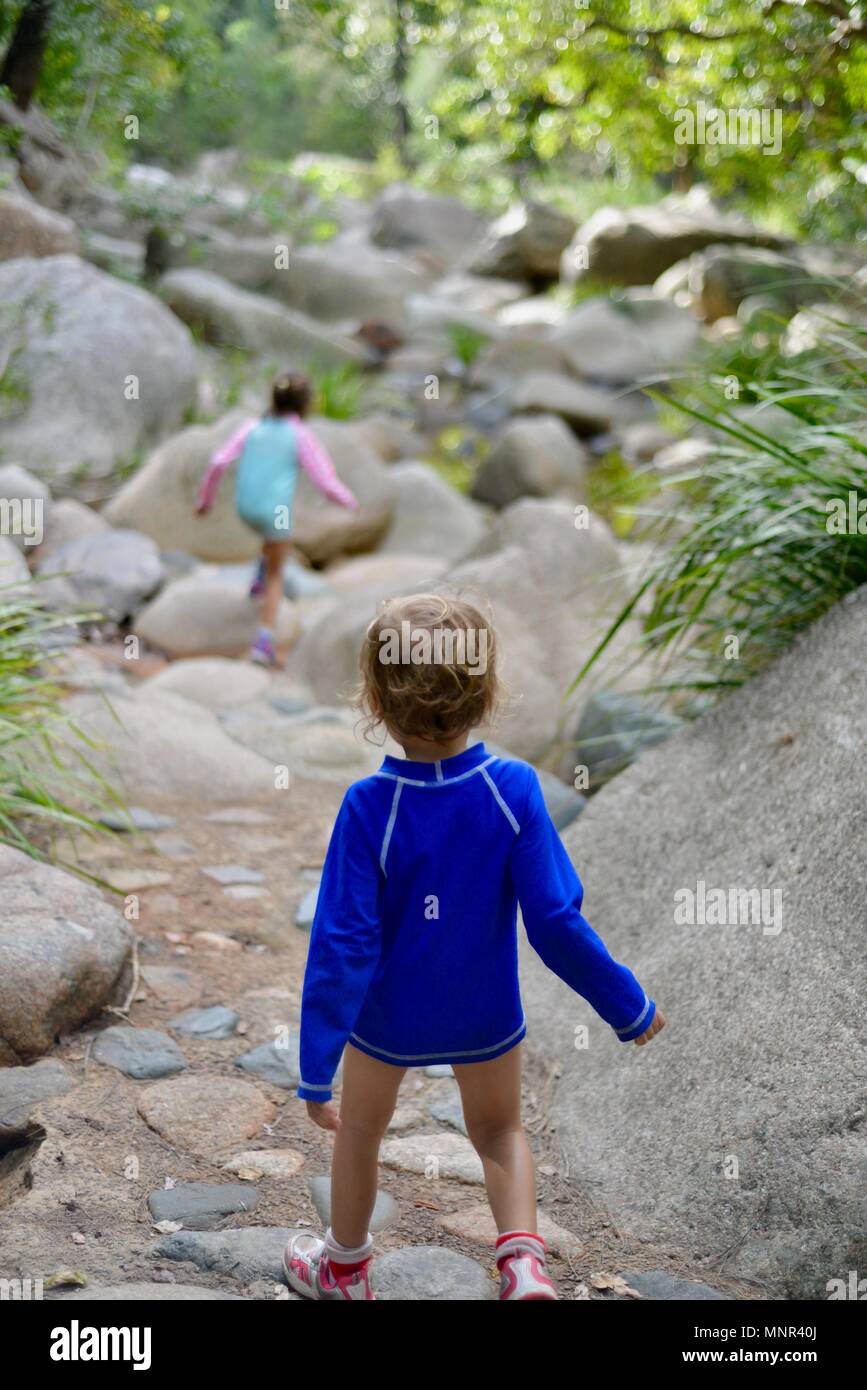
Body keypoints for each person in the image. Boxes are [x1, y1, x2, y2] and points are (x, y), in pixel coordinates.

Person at [285, 593, 666, 1302]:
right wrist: (627, 1003)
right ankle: (523, 1266)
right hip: (484, 1011)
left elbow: (343, 940)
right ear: (487, 692)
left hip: (388, 1018)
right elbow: (553, 919)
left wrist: (315, 1067)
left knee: (360, 1132)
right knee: (497, 1134)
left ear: (372, 698)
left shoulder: (370, 807)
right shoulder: (512, 789)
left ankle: (341, 1269)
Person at [195, 372, 357, 667]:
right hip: (276, 515)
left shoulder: (252, 427)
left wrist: (205, 500)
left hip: (245, 507)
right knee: (277, 573)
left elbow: (219, 461)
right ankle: (264, 641)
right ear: (305, 405)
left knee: (268, 534)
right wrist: (349, 502)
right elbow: (324, 479)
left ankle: (258, 574)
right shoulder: (300, 435)